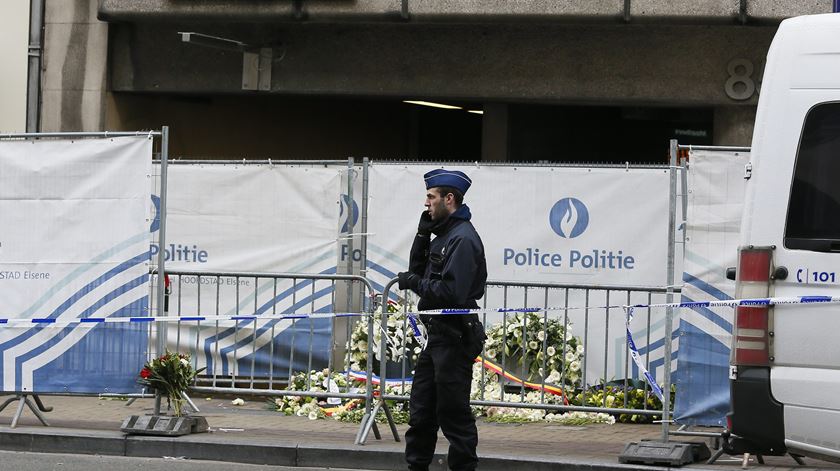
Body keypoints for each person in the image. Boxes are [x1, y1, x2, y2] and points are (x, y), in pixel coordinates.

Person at [397, 169, 488, 471]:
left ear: (449, 199)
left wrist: (415, 283)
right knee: (421, 410)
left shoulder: (462, 239)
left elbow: (450, 291)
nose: (427, 203)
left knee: (453, 413)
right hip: (437, 338)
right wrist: (423, 234)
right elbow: (419, 270)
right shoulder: (445, 234)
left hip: (454, 337)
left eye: (431, 197)